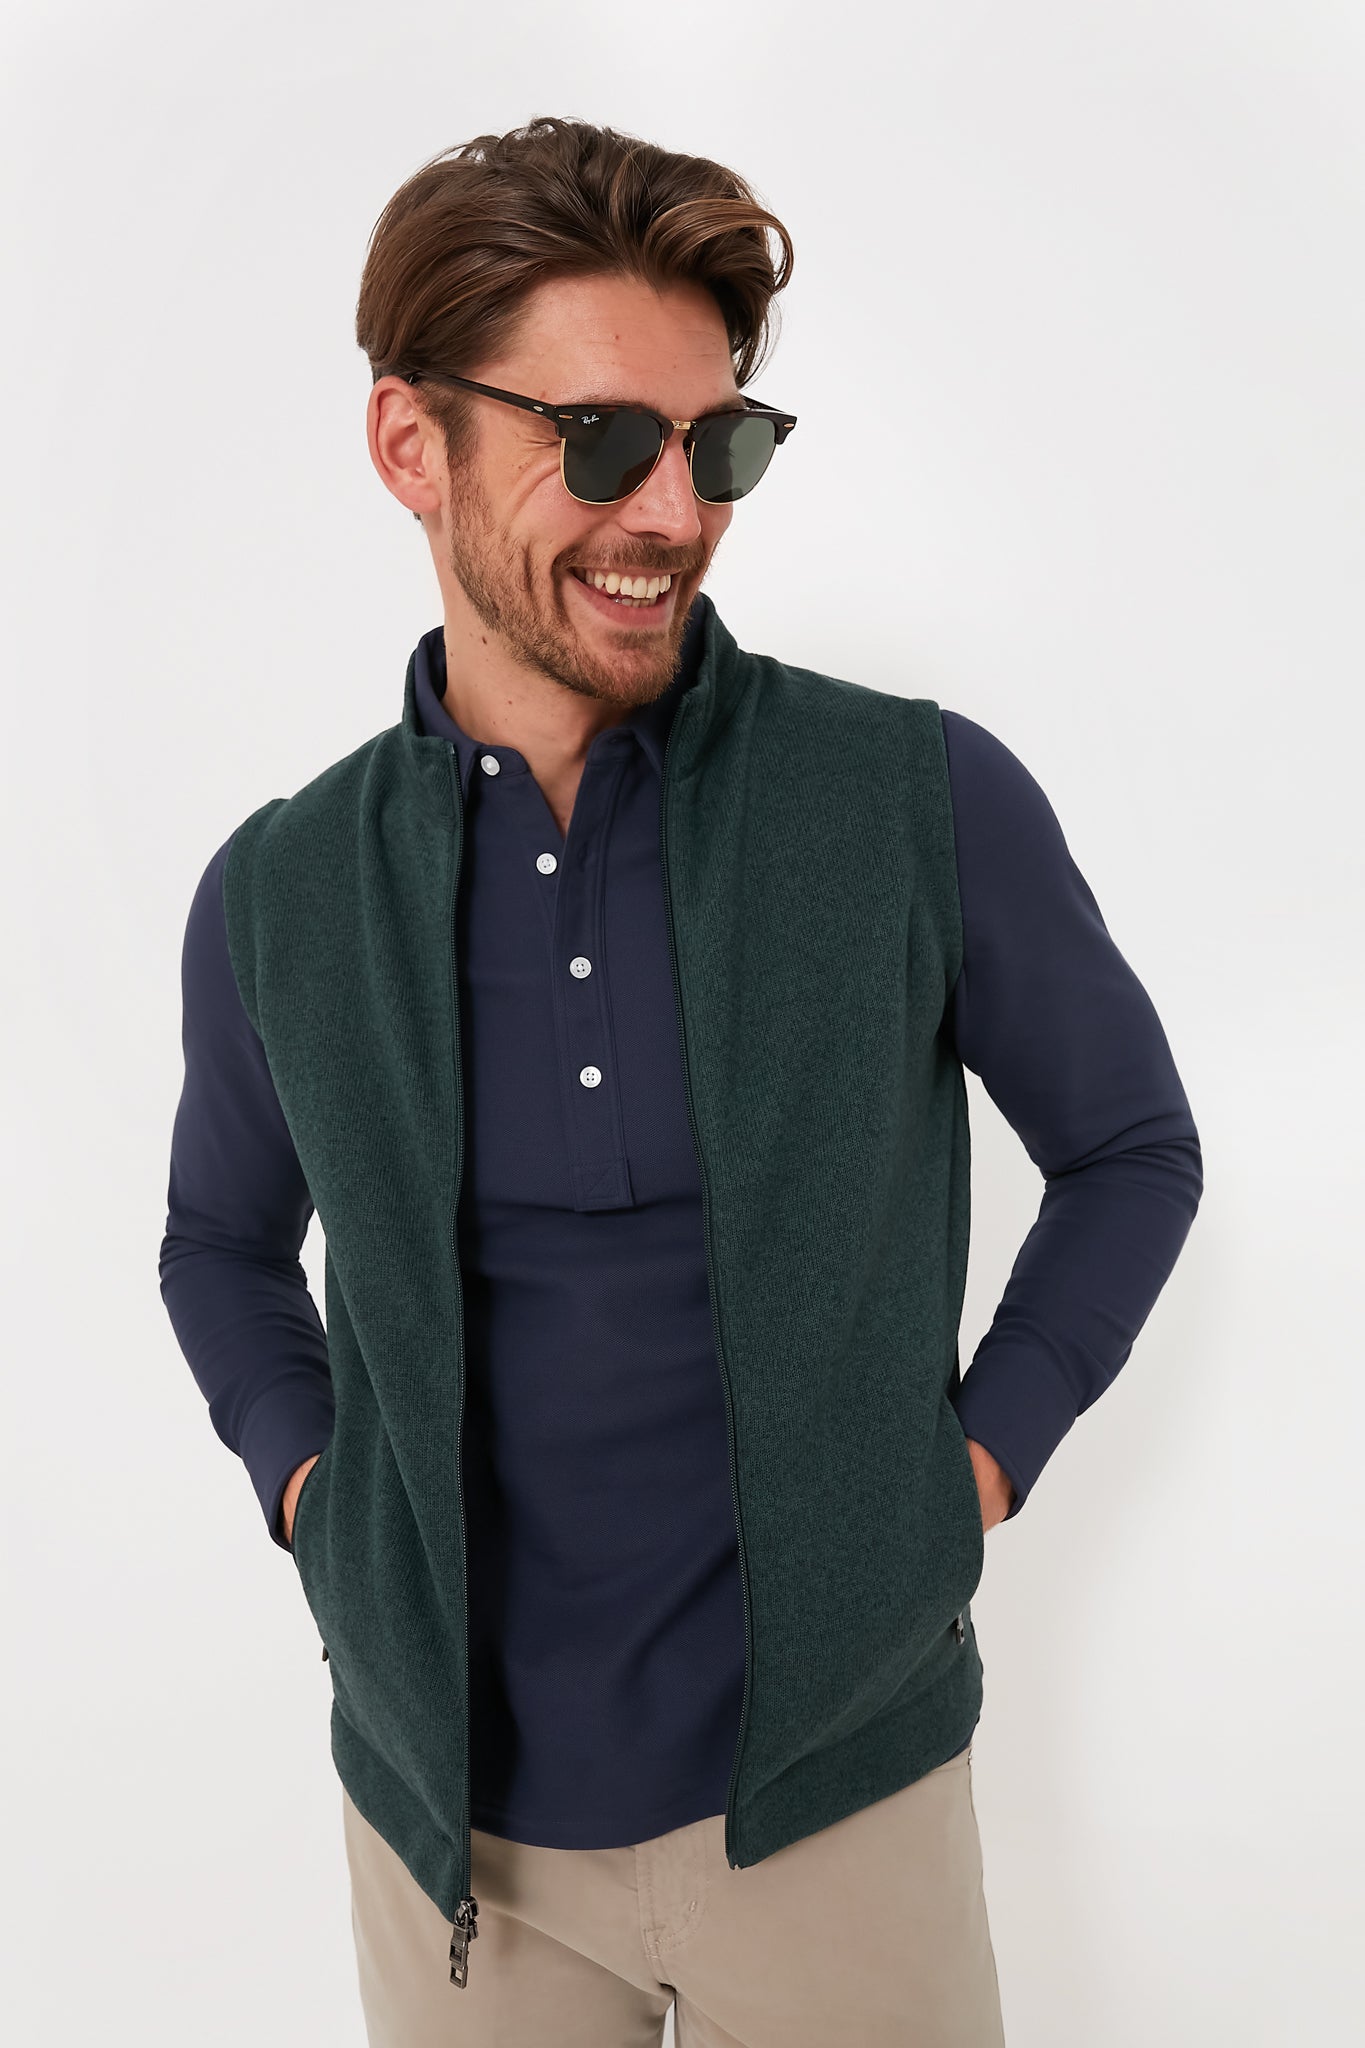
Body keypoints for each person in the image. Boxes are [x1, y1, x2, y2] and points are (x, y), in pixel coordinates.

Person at [159, 116, 1203, 2047]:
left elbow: (1130, 1149)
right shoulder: (284, 891)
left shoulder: (911, 800)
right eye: (601, 442)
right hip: (448, 1833)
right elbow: (218, 1243)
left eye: (716, 447)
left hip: (835, 1797)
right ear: (410, 444)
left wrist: (966, 1472)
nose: (672, 512)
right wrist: (314, 1497)